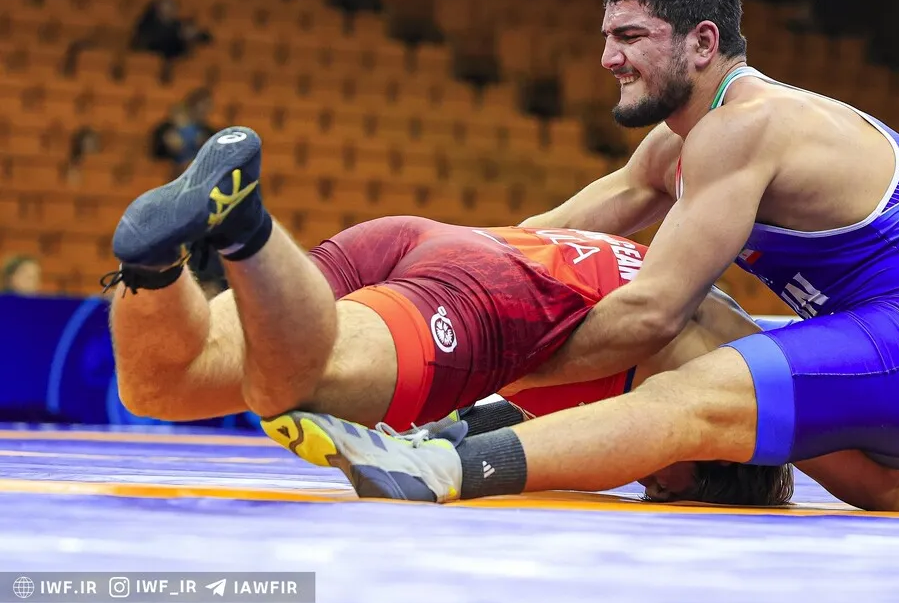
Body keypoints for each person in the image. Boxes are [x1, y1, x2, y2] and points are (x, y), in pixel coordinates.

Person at [265, 0, 899, 513]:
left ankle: (442, 464)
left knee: (681, 374)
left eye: (630, 38)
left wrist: (475, 369)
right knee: (705, 346)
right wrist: (423, 302)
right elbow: (535, 244)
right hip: (887, 347)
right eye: (606, 38)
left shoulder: (744, 128)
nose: (608, 60)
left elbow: (648, 313)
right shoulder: (677, 145)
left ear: (702, 44)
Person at [102, 124, 791, 505]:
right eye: (665, 487)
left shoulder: (709, 307)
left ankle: (153, 267)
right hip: (494, 301)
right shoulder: (720, 397)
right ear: (719, 461)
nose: (649, 483)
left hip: (437, 243)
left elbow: (497, 418)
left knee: (163, 388)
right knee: (290, 387)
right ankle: (245, 224)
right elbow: (609, 421)